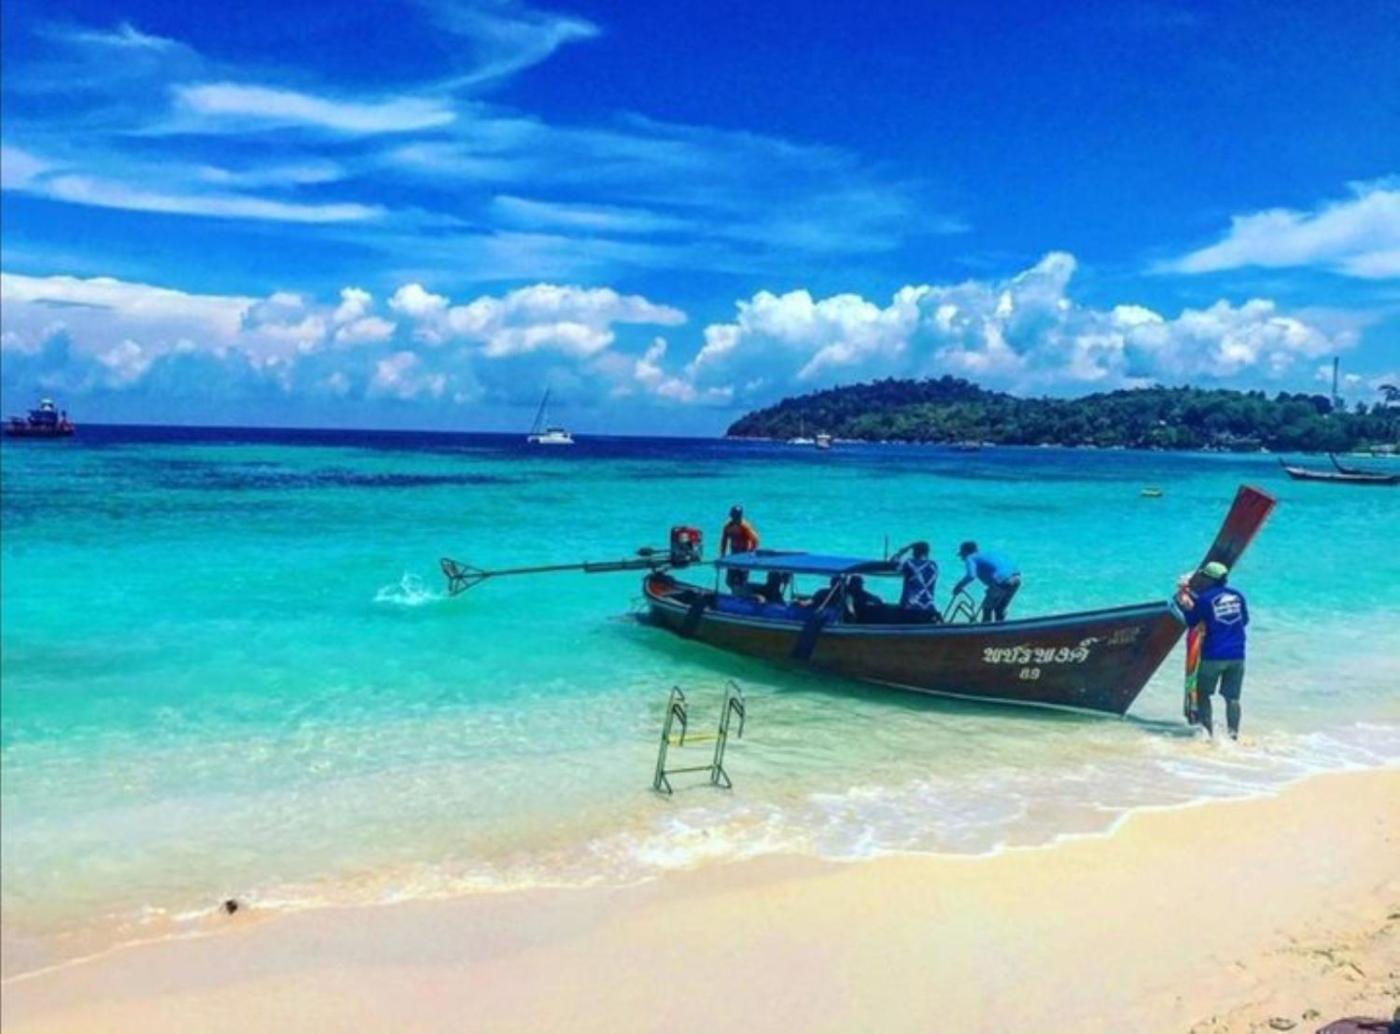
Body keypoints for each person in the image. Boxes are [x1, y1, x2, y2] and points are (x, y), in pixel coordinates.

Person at [1175, 561, 1249, 739]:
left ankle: (1208, 736)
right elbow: (1244, 621)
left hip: (1213, 655)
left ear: (1209, 579)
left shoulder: (1205, 599)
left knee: (1202, 694)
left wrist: (1183, 604)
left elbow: (1192, 621)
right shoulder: (1237, 596)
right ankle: (1233, 736)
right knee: (1233, 698)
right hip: (1238, 655)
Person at [952, 541, 1021, 622]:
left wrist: (958, 586)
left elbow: (971, 576)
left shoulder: (970, 557)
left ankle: (986, 629)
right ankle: (1001, 628)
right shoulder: (988, 554)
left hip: (1001, 581)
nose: (962, 558)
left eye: (962, 555)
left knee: (987, 608)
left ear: (966, 552)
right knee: (999, 609)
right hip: (1016, 578)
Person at [889, 540, 940, 616]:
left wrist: (902, 552)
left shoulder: (910, 563)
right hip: (929, 608)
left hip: (911, 608)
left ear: (915, 552)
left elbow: (893, 564)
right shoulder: (934, 565)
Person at [720, 505, 760, 591]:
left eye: (737, 517)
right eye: (734, 517)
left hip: (744, 555)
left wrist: (750, 554)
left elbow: (755, 540)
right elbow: (724, 541)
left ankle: (741, 593)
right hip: (733, 554)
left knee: (742, 580)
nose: (735, 519)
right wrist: (722, 555)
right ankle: (734, 593)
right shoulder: (727, 527)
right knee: (729, 581)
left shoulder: (745, 527)